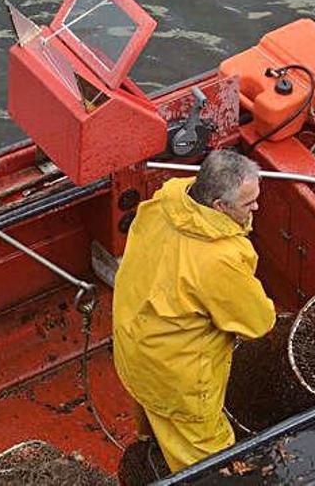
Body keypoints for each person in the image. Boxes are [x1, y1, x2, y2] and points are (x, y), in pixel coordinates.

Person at [112, 149, 276, 472]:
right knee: (208, 466)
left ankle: (153, 448)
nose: (256, 207)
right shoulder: (218, 259)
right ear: (219, 207)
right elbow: (259, 323)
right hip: (177, 380)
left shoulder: (165, 202)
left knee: (152, 414)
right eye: (248, 204)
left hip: (133, 349)